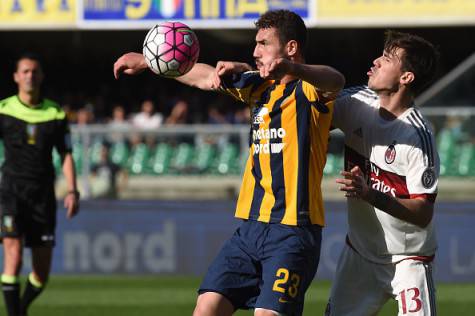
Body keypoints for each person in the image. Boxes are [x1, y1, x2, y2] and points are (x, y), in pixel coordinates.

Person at [114, 9, 344, 316]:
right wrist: (149, 61)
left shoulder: (310, 91)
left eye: (263, 43)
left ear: (290, 48)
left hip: (293, 231)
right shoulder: (257, 87)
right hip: (250, 229)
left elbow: (336, 79)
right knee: (206, 307)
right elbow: (204, 77)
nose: (255, 51)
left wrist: (292, 68)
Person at [326, 31, 440, 315]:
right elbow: (308, 114)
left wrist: (370, 194)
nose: (375, 61)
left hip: (409, 259)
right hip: (360, 255)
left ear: (406, 78)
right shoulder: (357, 102)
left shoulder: (417, 135)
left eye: (387, 58)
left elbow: (423, 212)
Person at [0, 53, 80, 316]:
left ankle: (20, 310)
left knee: (41, 273)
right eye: (24, 71)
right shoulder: (3, 109)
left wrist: (72, 190)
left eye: (34, 71)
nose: (30, 76)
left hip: (42, 195)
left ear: (41, 76)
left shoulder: (55, 113)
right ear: (15, 77)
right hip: (10, 192)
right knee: (13, 255)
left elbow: (66, 154)